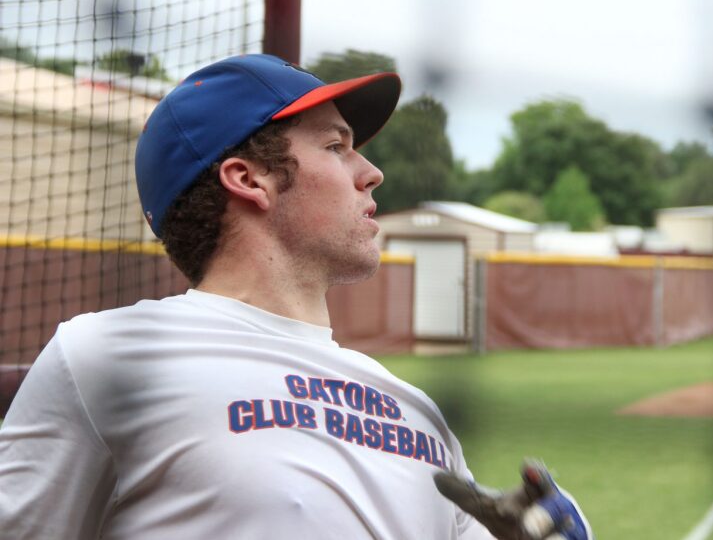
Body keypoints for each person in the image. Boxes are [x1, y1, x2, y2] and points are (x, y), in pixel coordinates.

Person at [0, 54, 591, 539]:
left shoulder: (416, 410)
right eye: (336, 146)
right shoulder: (109, 357)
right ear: (248, 179)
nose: (371, 171)